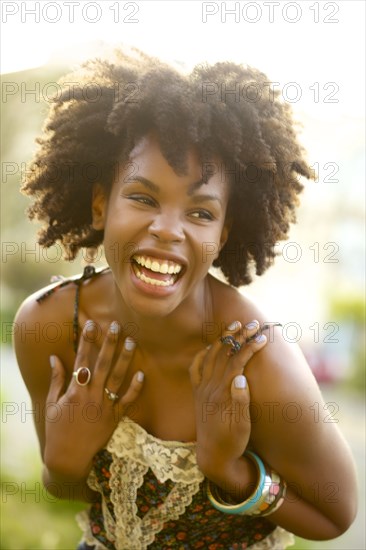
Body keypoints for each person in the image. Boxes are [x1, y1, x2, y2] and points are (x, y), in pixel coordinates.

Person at [14, 48, 357, 549]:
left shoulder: (255, 362)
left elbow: (337, 515)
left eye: (199, 213)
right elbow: (66, 488)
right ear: (99, 204)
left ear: (223, 233)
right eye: (143, 198)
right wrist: (62, 462)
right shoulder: (49, 327)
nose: (167, 230)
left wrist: (233, 472)